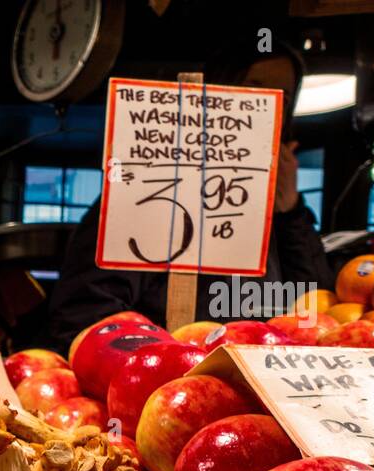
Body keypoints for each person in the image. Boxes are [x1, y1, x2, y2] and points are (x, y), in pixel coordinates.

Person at [45, 45, 333, 352]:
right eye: (253, 91)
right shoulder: (146, 197)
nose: (268, 107)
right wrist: (172, 367)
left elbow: (314, 311)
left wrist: (291, 213)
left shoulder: (281, 215)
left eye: (283, 97)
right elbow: (84, 319)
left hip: (257, 387)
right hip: (162, 387)